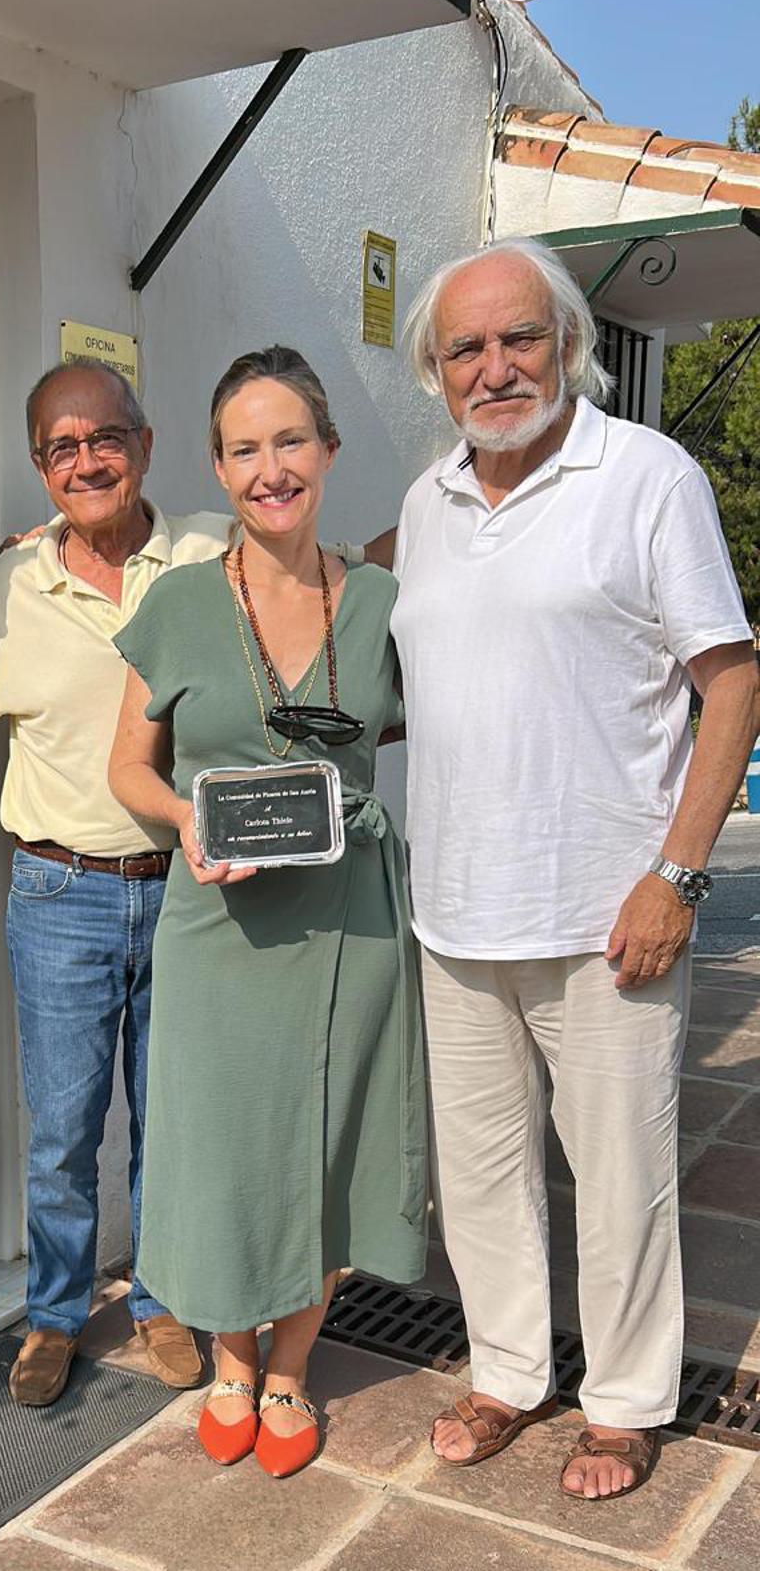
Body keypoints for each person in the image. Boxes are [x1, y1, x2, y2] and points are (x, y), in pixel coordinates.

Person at [392, 239, 759, 1500]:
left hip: (612, 913)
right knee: (481, 1170)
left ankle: (627, 1402)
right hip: (454, 910)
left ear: (567, 345)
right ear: (435, 373)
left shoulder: (647, 477)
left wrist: (680, 875)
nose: (495, 368)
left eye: (519, 339)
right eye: (466, 349)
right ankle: (505, 1370)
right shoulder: (428, 502)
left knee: (621, 1173)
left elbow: (734, 683)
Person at [108, 346, 427, 1478]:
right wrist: (187, 823)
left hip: (351, 920)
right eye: (244, 448)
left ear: (329, 454)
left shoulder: (386, 601)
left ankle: (291, 1364)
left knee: (330, 1137)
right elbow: (130, 772)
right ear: (218, 467)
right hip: (220, 926)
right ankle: (231, 1356)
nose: (270, 467)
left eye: (290, 440)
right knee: (225, 1145)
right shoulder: (183, 601)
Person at [0, 358, 229, 1406]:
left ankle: (157, 1299)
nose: (88, 459)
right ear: (39, 469)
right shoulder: (11, 588)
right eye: (63, 446)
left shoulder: (210, 550)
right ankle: (56, 1315)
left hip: (192, 891)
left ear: (145, 446)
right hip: (62, 896)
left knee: (170, 1115)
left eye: (107, 437)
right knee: (61, 1130)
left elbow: (315, 601)